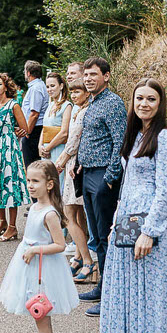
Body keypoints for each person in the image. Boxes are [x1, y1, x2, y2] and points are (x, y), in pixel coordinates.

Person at [99, 79, 167, 333]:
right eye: (140, 98)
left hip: (147, 223)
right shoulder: (134, 135)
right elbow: (126, 184)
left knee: (148, 296)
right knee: (125, 292)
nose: (144, 104)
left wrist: (150, 231)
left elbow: (165, 189)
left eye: (151, 99)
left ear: (160, 104)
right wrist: (115, 222)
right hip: (126, 219)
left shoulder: (164, 137)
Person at [0, 160, 80, 333]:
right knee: (39, 317)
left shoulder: (50, 214)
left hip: (43, 270)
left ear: (50, 184)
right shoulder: (34, 208)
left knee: (42, 318)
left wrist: (35, 249)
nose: (30, 185)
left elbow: (60, 245)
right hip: (31, 267)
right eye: (29, 181)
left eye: (36, 181)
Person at [76, 57, 127, 317]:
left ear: (106, 76)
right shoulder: (93, 102)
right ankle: (100, 286)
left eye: (93, 74)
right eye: (86, 75)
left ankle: (109, 295)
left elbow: (120, 142)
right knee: (96, 236)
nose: (88, 79)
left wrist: (110, 177)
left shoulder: (113, 103)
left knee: (107, 237)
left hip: (103, 178)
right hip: (88, 175)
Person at [55, 78, 95, 283]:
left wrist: (60, 162)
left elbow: (73, 141)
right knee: (77, 214)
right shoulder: (77, 110)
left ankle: (88, 260)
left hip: (75, 164)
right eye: (72, 92)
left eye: (78, 92)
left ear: (87, 93)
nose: (74, 95)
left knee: (68, 213)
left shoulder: (85, 111)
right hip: (73, 164)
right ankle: (79, 256)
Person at [0, 73, 30, 242]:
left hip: (9, 147)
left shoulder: (13, 105)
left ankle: (12, 227)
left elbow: (25, 128)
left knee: (10, 185)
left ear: (6, 87)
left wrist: (17, 131)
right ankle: (2, 222)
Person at [38, 72, 72, 183]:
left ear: (61, 86)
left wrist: (48, 148)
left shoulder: (66, 105)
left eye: (52, 86)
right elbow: (44, 127)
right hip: (46, 149)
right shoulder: (50, 105)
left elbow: (64, 133)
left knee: (57, 182)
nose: (49, 89)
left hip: (57, 148)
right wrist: (40, 146)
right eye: (47, 87)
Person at [20, 61, 50, 168]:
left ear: (28, 73)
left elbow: (34, 114)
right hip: (35, 129)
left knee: (31, 165)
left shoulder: (36, 88)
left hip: (34, 130)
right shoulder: (39, 86)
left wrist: (27, 131)